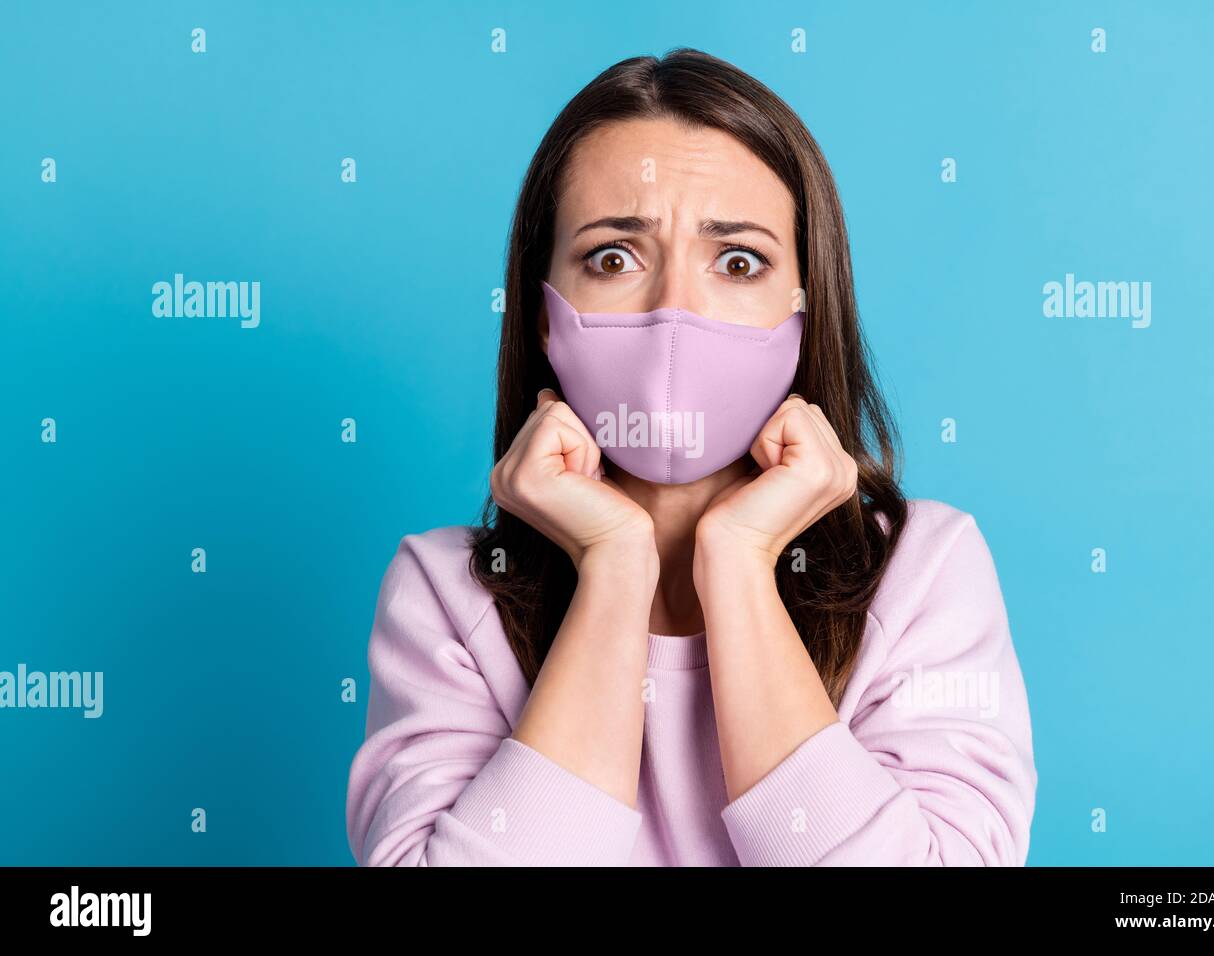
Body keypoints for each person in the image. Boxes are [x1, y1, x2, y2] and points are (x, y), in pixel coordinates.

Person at [345, 48, 1037, 866]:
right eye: (613, 258)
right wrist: (613, 566)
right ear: (541, 315)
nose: (675, 311)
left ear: (806, 309)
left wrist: (739, 564)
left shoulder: (922, 572)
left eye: (738, 262)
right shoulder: (446, 594)